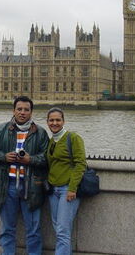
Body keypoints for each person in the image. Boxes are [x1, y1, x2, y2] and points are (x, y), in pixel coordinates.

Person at [0, 96, 49, 255]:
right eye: (19, 109)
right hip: (8, 185)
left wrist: (29, 159)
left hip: (31, 186)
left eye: (26, 110)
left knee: (33, 230)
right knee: (7, 229)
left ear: (31, 112)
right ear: (13, 110)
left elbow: (47, 158)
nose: (22, 113)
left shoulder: (40, 133)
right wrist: (4, 157)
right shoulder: (1, 130)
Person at [46, 107, 87, 255]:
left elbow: (80, 163)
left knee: (62, 231)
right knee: (59, 229)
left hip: (67, 190)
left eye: (58, 120)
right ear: (47, 122)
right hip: (53, 191)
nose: (54, 123)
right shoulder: (52, 141)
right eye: (51, 120)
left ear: (63, 121)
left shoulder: (73, 138)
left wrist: (72, 188)